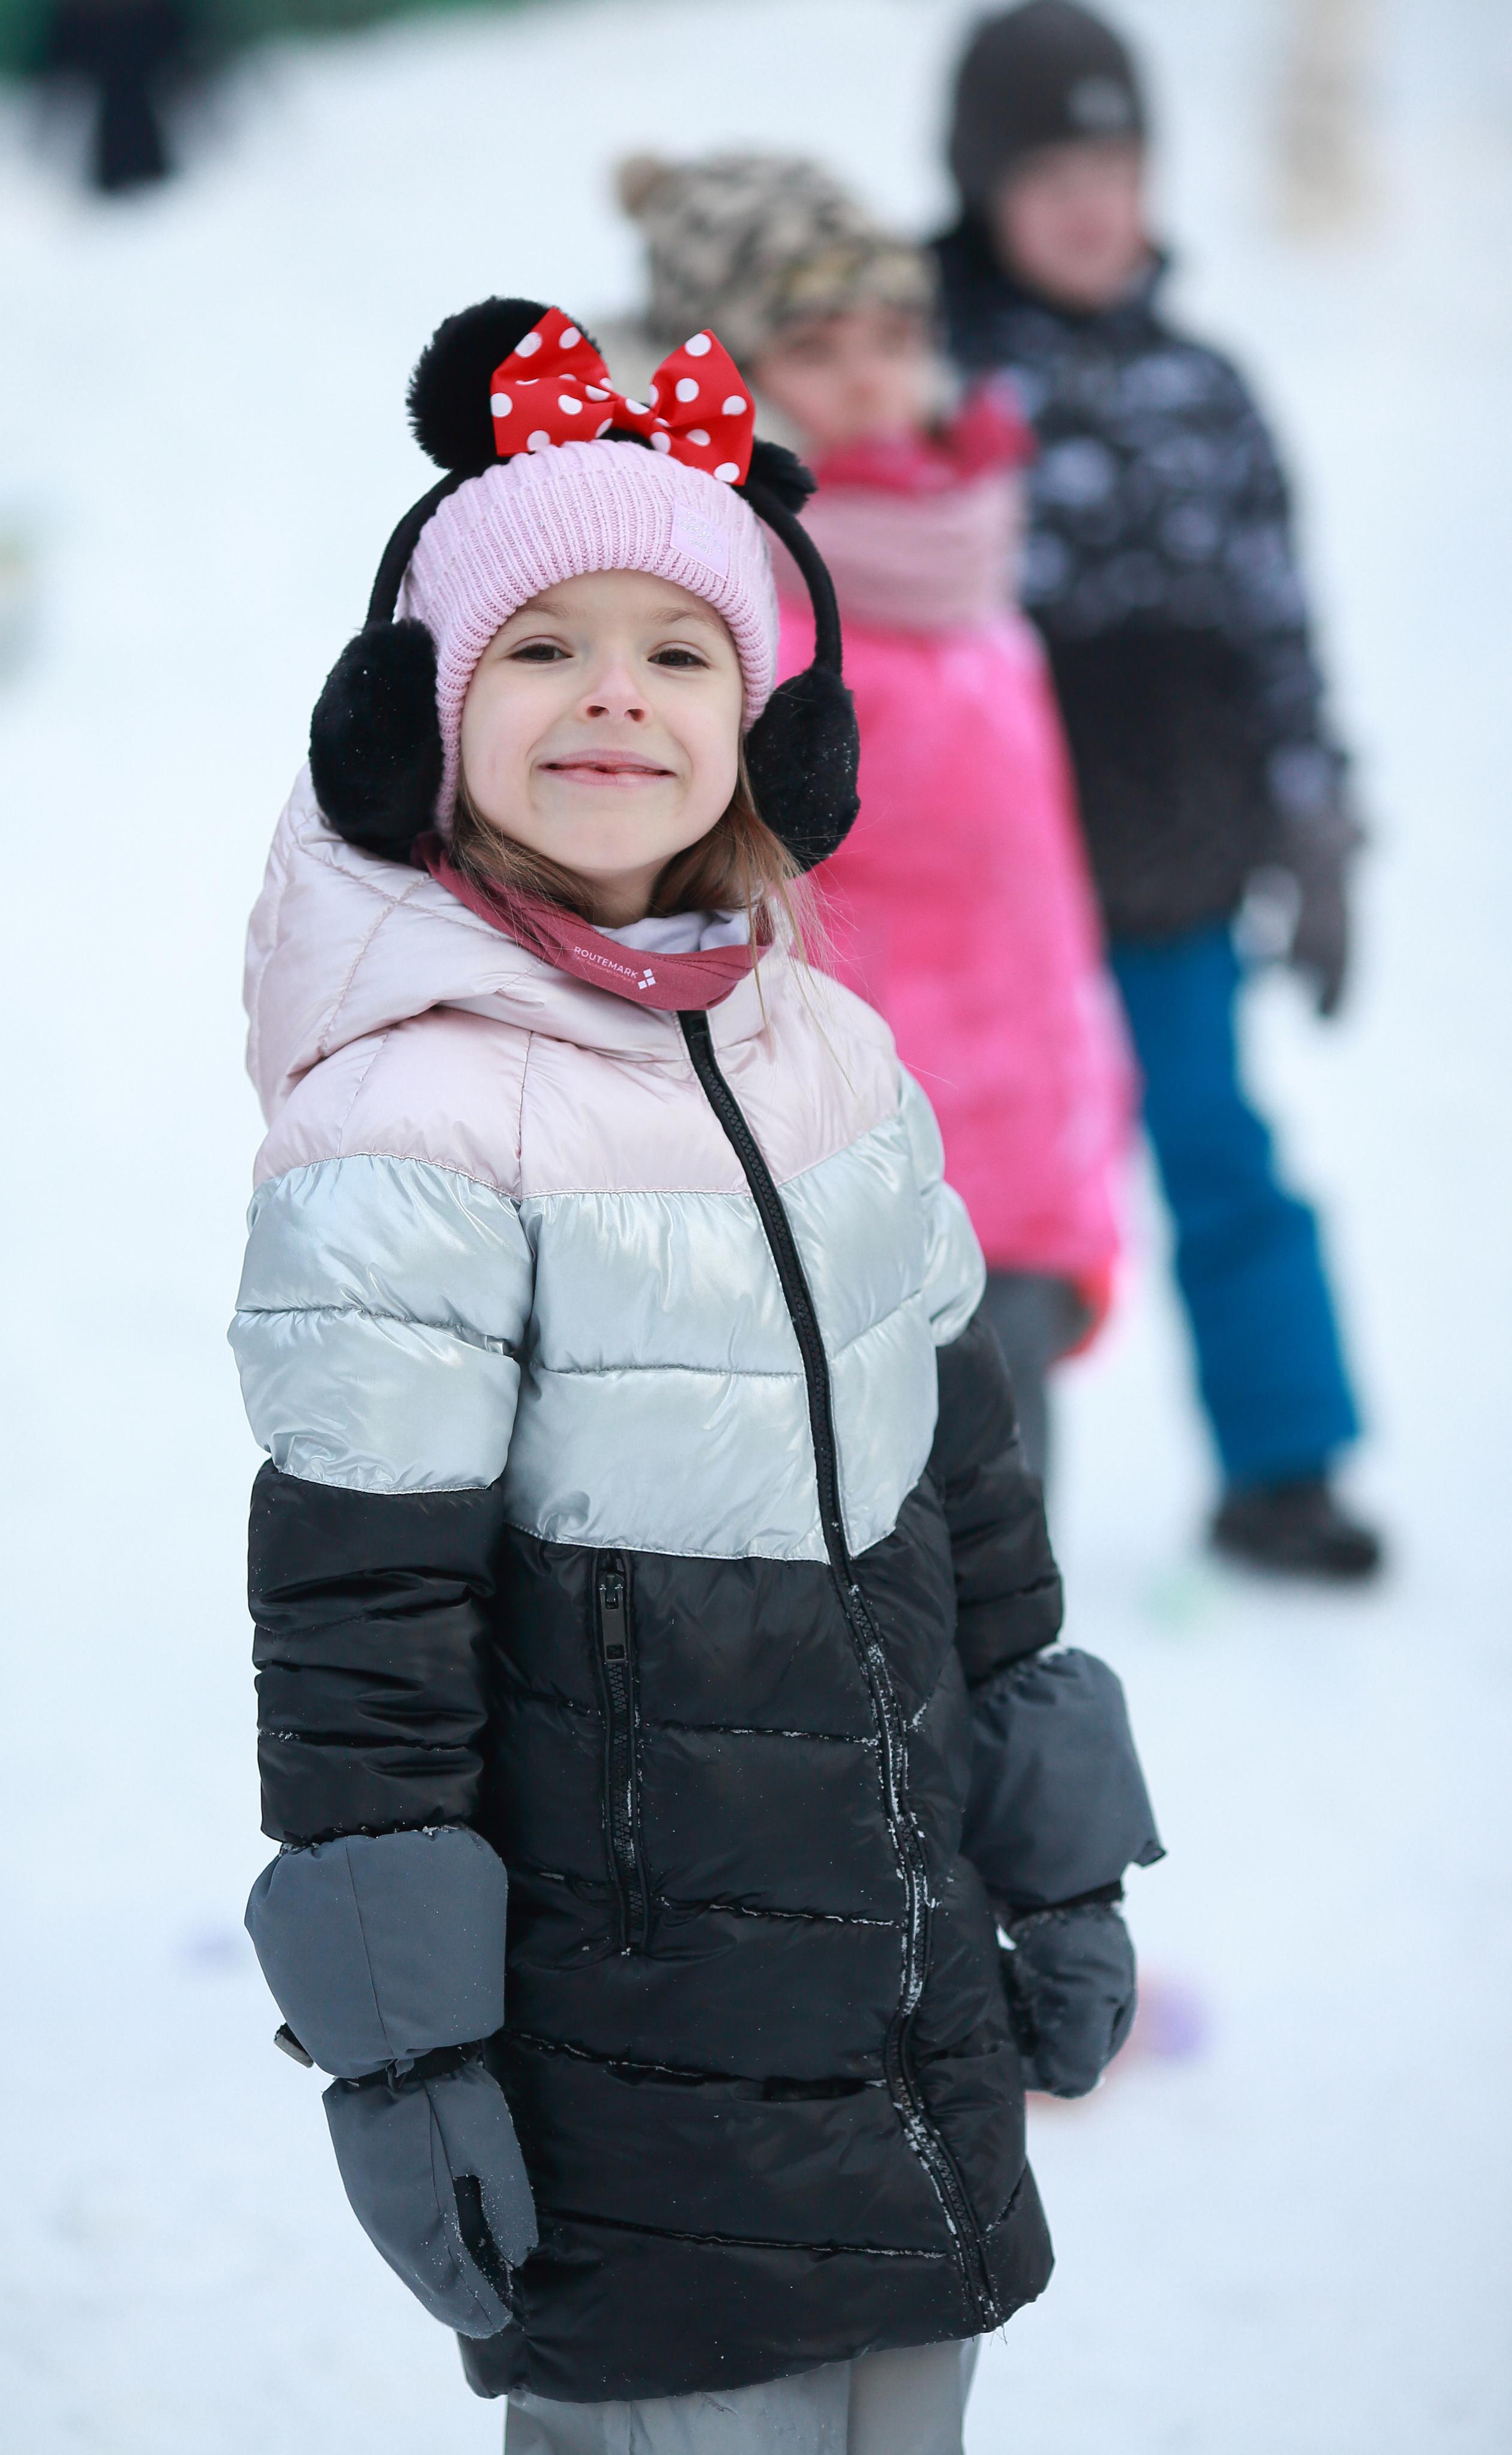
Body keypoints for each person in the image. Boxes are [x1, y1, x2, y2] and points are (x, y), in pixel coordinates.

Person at [230, 295, 1162, 2451]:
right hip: (625, 2069)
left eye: (678, 650)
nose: (614, 701)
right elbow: (362, 1630)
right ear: (422, 718)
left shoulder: (825, 1045)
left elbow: (976, 1489)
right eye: (541, 649)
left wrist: (1060, 1849)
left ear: (769, 721)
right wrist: (408, 2055)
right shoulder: (404, 1123)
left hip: (900, 2010)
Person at [934, 0, 1383, 1580]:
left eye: (1114, 164)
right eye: (1049, 170)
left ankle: (1284, 1466)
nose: (1087, 203)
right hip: (989, 907)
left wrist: (1316, 819)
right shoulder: (937, 390)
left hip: (1176, 880)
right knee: (972, 1214)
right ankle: (945, 1506)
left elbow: (1278, 631)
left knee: (1221, 1157)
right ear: (982, 190)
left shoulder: (1208, 392)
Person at [617, 152, 1132, 1481]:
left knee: (1006, 1588)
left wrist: (1080, 1165)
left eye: (895, 338)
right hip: (821, 1191)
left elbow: (1039, 907)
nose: (867, 379)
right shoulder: (723, 607)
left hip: (1012, 1171)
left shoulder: (972, 589)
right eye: (814, 345)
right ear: (728, 375)